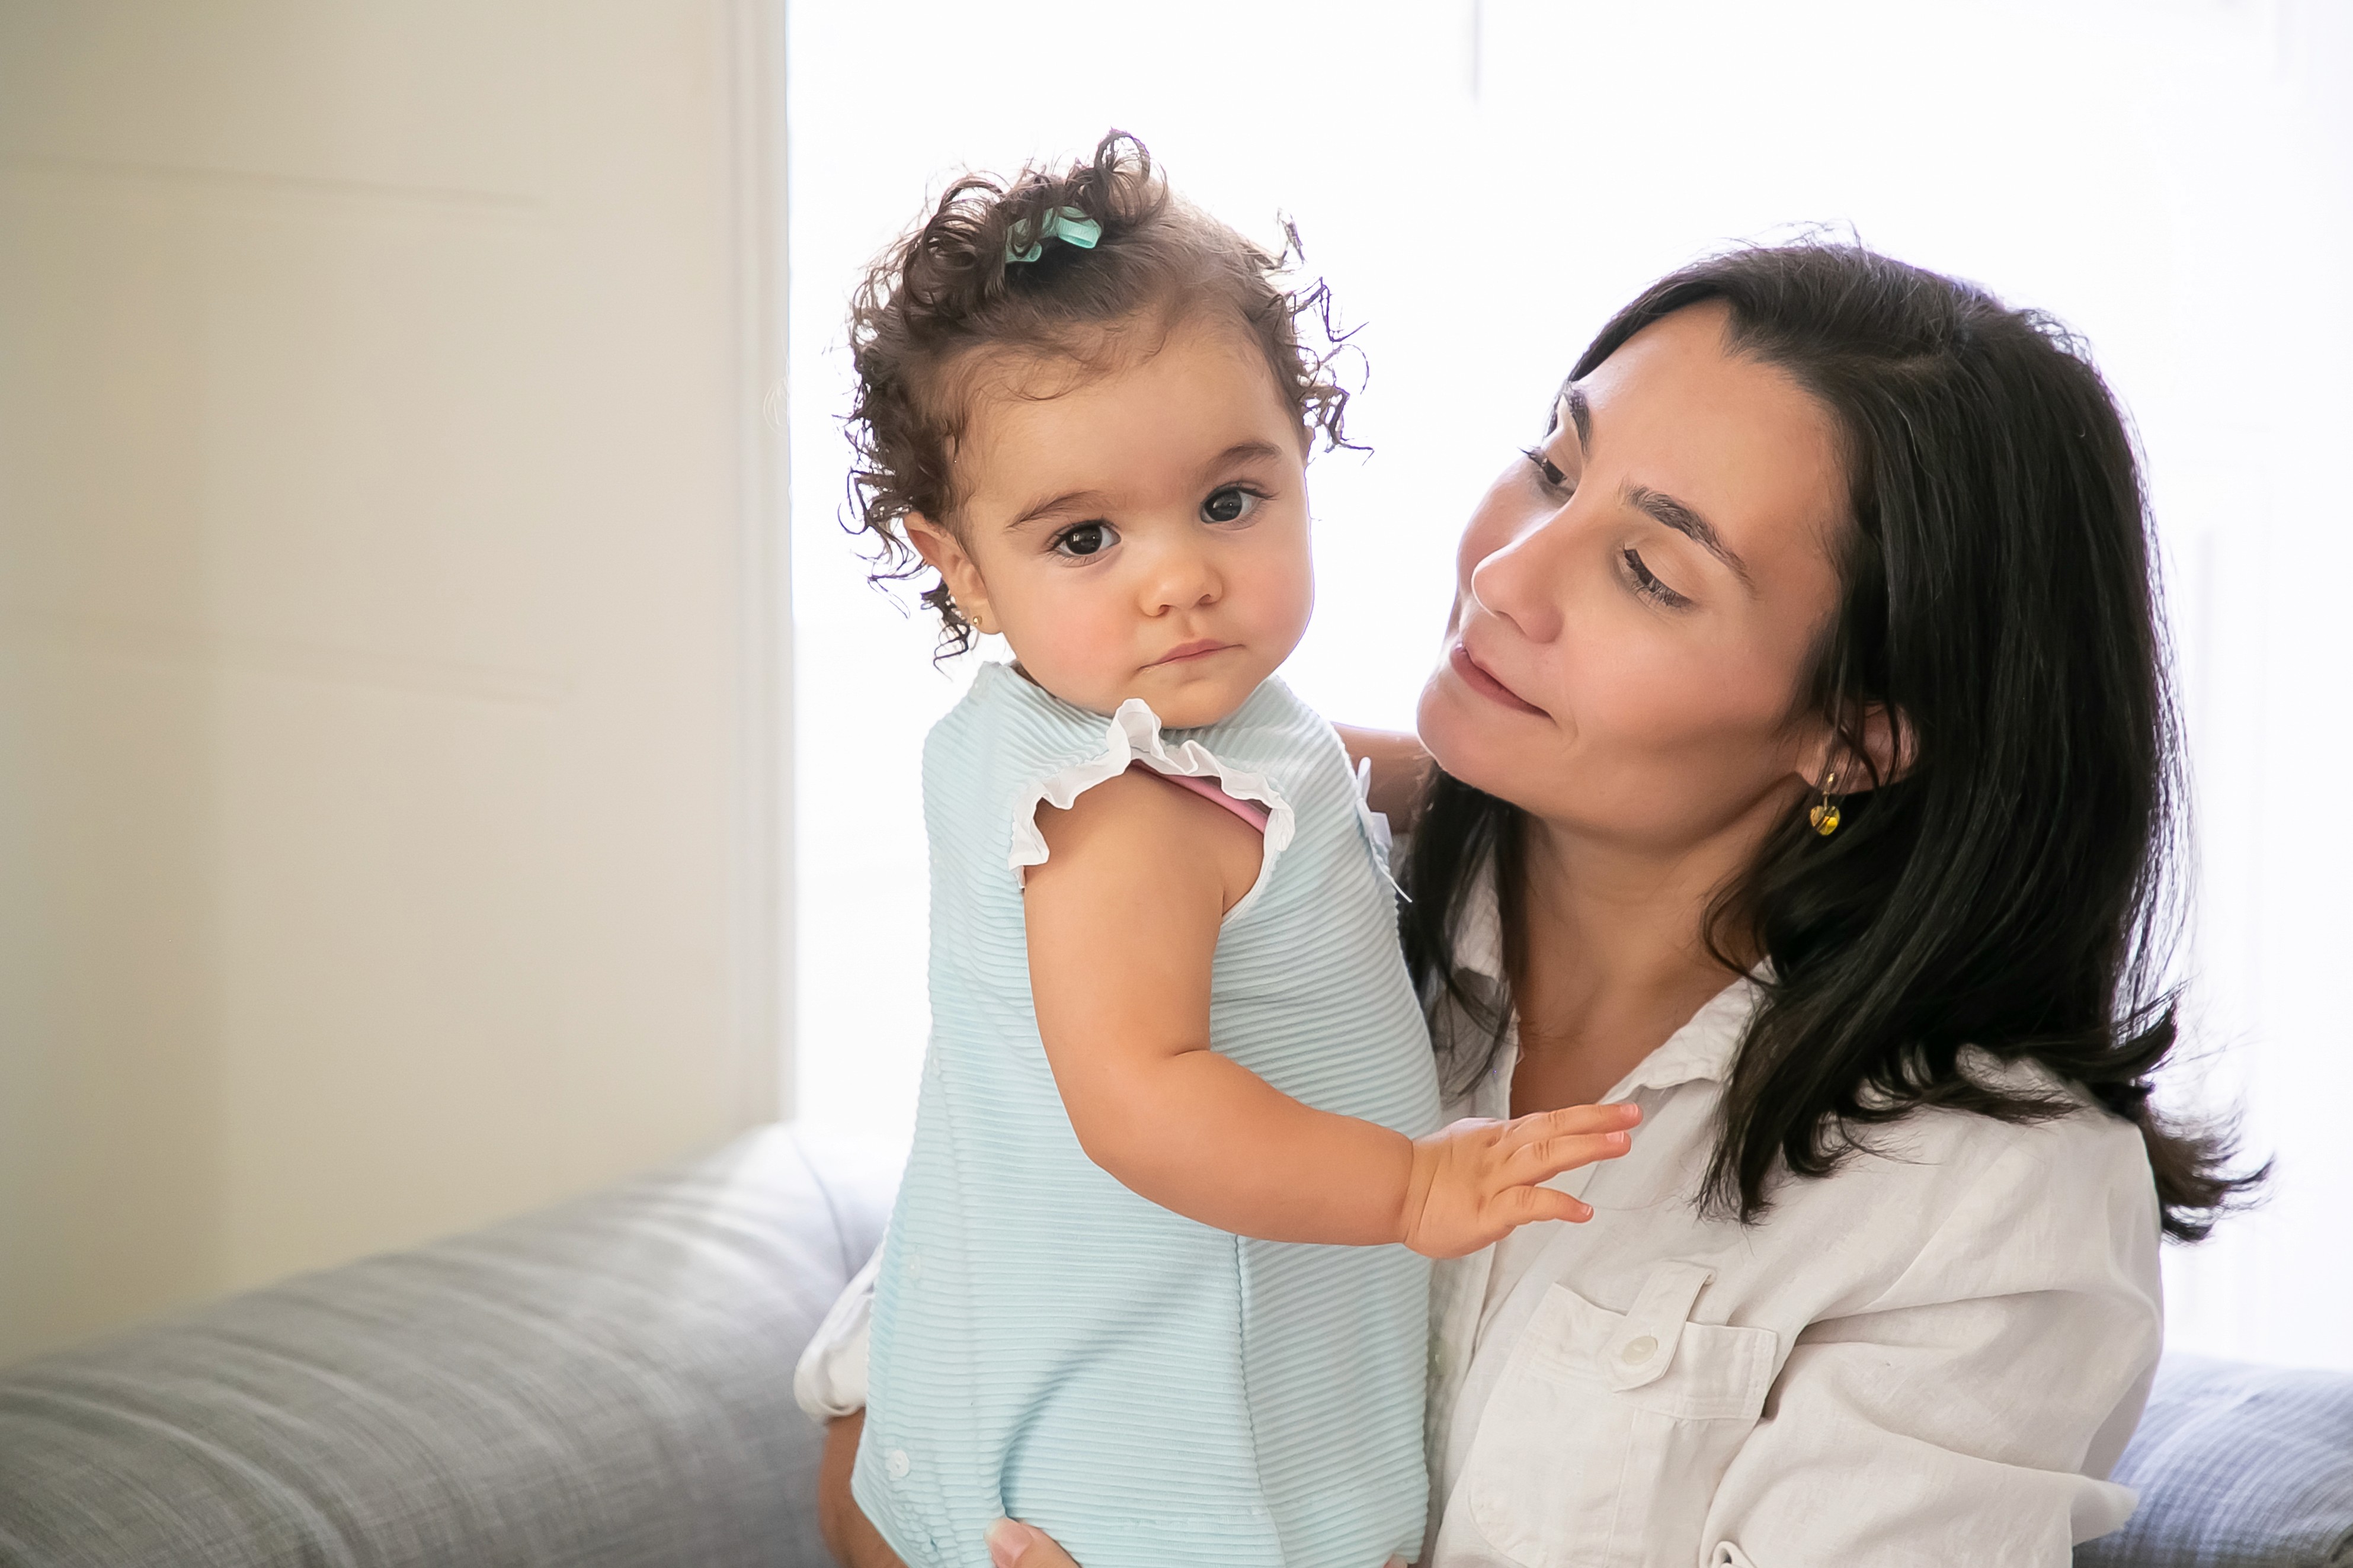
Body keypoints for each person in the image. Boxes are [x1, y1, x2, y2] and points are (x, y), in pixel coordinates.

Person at [802, 239, 2253, 1568]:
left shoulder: (1984, 1203)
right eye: (1555, 467)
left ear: (1857, 734)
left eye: (1647, 570)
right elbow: (888, 1415)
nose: (1505, 573)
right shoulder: (1242, 863)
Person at [821, 133, 1640, 1568]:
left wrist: (1502, 774)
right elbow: (1140, 1095)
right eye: (1084, 538)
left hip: (1088, 1368)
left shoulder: (1138, 725)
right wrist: (1409, 1188)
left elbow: (1312, 780)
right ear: (958, 565)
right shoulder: (1120, 810)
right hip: (1159, 1444)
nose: (1179, 576)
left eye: (1227, 501)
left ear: (1302, 460)